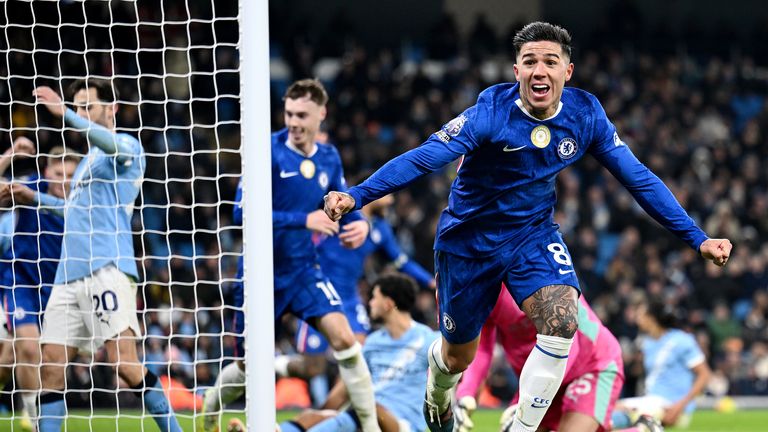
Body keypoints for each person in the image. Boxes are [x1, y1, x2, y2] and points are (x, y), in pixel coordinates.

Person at [323, 21, 732, 432]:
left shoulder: (585, 113)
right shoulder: (490, 112)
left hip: (532, 235)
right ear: (515, 70)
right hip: (468, 244)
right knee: (456, 358)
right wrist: (358, 195)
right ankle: (440, 381)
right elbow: (426, 156)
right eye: (529, 61)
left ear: (566, 72)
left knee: (561, 321)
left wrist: (697, 238)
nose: (540, 71)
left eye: (550, 62)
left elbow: (638, 178)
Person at [200, 78, 381, 432]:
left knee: (346, 340)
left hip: (303, 270)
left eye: (302, 115)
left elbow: (339, 198)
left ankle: (371, 427)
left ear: (321, 114)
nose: (294, 122)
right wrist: (305, 220)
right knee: (249, 367)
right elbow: (240, 214)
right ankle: (211, 407)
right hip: (259, 274)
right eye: (288, 114)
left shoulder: (329, 156)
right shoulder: (265, 151)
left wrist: (359, 223)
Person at [6, 79, 182, 432]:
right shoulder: (87, 162)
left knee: (125, 365)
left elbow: (111, 142)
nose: (83, 112)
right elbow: (73, 209)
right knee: (51, 368)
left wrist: (66, 113)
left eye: (89, 105)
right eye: (78, 105)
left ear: (112, 108)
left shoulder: (126, 148)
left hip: (107, 268)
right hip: (67, 277)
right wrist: (31, 197)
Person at [281, 193, 436, 406]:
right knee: (312, 368)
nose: (391, 201)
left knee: (358, 361)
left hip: (350, 300)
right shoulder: (341, 211)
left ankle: (330, 413)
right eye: (387, 196)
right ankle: (278, 366)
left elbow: (401, 262)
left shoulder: (380, 229)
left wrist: (429, 281)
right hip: (319, 294)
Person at [454, 287, 662, 432]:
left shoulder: (547, 276)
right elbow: (482, 347)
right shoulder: (485, 287)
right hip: (545, 377)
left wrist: (521, 401)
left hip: (591, 364)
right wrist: (465, 395)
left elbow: (568, 346)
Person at [278, 272, 439, 432]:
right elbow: (345, 388)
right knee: (310, 417)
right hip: (364, 417)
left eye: (374, 297)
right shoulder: (373, 342)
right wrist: (322, 414)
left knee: (368, 408)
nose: (370, 303)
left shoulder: (427, 340)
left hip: (401, 423)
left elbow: (453, 367)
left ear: (388, 304)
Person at [0, 144, 79, 430]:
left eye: (70, 174)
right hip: (21, 281)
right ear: (46, 171)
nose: (64, 180)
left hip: (60, 288)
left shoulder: (83, 201)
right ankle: (34, 420)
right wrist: (10, 155)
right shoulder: (29, 187)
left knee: (13, 358)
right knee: (30, 350)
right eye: (59, 173)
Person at [611, 297, 712, 429]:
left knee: (610, 413)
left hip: (672, 406)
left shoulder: (681, 340)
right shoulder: (647, 343)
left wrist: (681, 405)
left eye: (641, 314)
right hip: (653, 401)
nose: (637, 318)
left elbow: (704, 375)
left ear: (652, 318)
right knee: (609, 409)